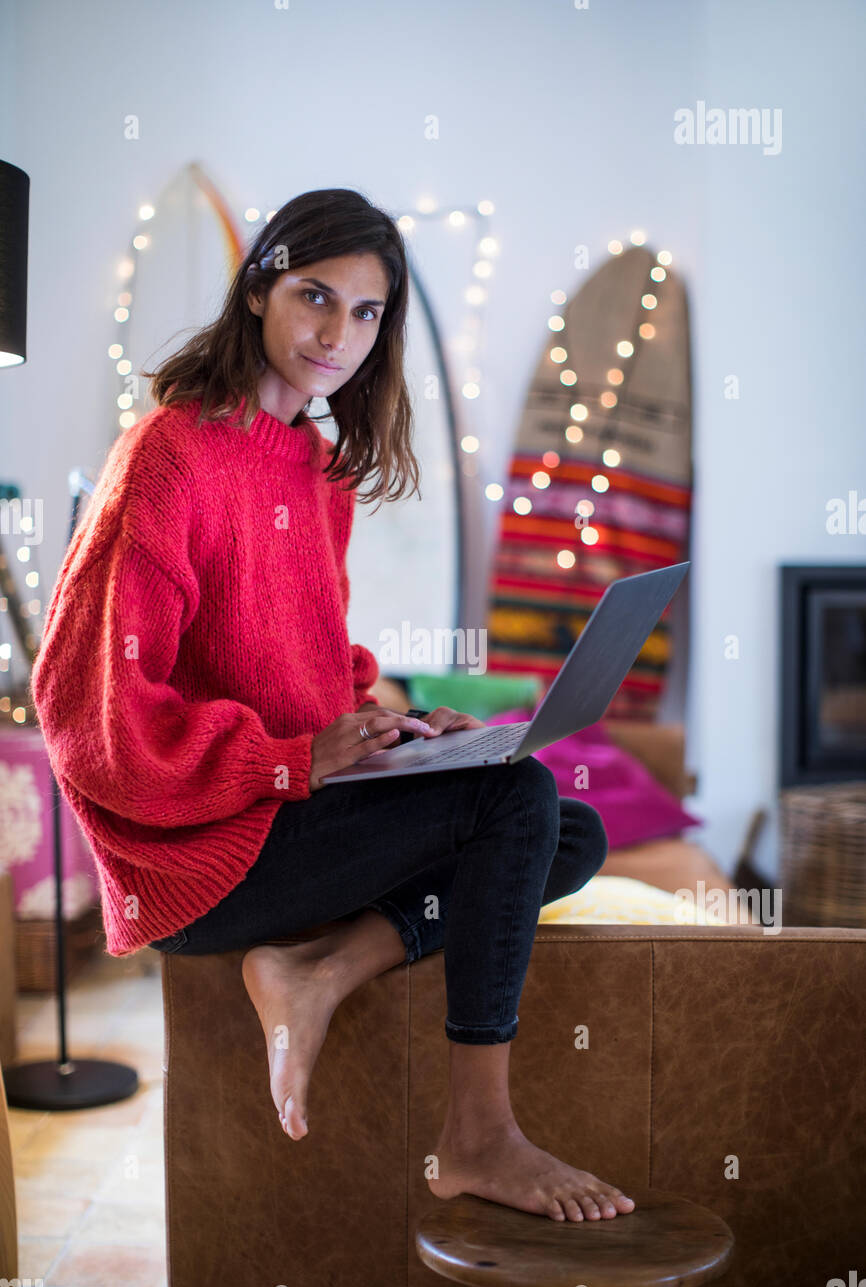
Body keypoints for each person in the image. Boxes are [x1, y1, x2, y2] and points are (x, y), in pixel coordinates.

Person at [31, 186, 635, 1226]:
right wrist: (286, 763)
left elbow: (302, 664)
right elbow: (89, 717)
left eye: (367, 313)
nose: (337, 334)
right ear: (260, 286)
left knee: (564, 831)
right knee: (520, 804)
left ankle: (319, 972)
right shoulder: (168, 455)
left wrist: (388, 732)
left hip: (287, 812)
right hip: (198, 855)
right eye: (316, 296)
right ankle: (479, 1135)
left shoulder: (317, 469)